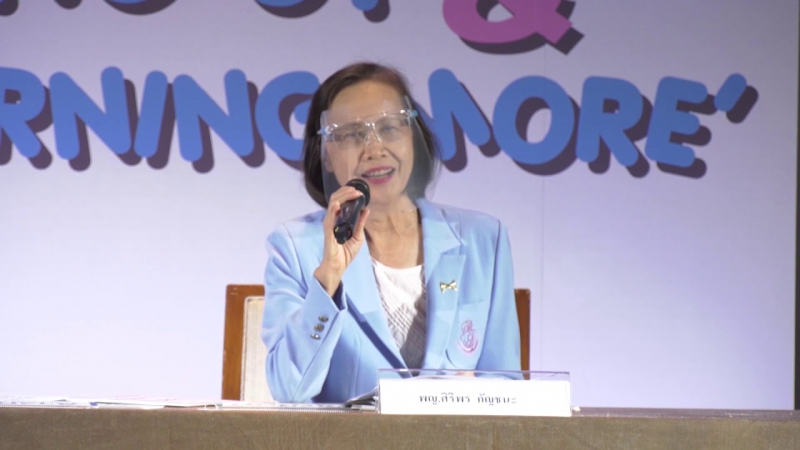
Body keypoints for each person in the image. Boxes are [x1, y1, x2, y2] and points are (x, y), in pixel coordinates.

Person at [261, 62, 519, 404]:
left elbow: (506, 380)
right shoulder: (295, 246)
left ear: (413, 137)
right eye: (352, 134)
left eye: (389, 127)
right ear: (325, 155)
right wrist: (329, 279)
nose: (375, 149)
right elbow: (289, 389)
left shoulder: (483, 238)